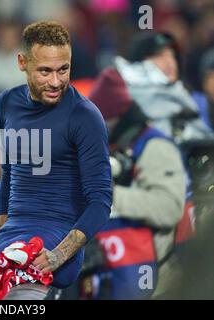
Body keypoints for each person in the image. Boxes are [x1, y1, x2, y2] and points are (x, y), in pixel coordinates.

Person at [0, 21, 112, 300]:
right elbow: (10, 172)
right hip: (13, 235)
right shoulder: (7, 104)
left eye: (64, 70)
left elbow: (100, 201)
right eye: (45, 71)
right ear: (22, 63)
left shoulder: (85, 116)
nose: (55, 81)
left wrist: (58, 256)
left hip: (55, 241)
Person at [87, 67, 186, 299]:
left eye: (105, 120)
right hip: (115, 277)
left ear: (118, 116)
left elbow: (169, 208)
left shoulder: (154, 147)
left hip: (159, 281)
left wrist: (112, 195)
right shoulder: (111, 147)